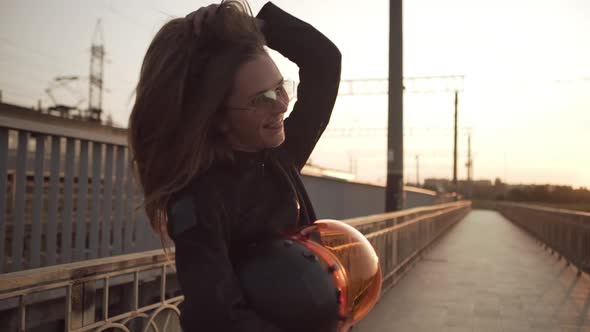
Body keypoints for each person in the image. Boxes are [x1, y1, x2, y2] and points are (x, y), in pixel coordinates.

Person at [128, 0, 341, 331]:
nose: (283, 105)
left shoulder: (279, 155)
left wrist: (254, 26)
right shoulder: (199, 199)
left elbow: (325, 62)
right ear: (217, 117)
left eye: (282, 88)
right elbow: (215, 318)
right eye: (264, 98)